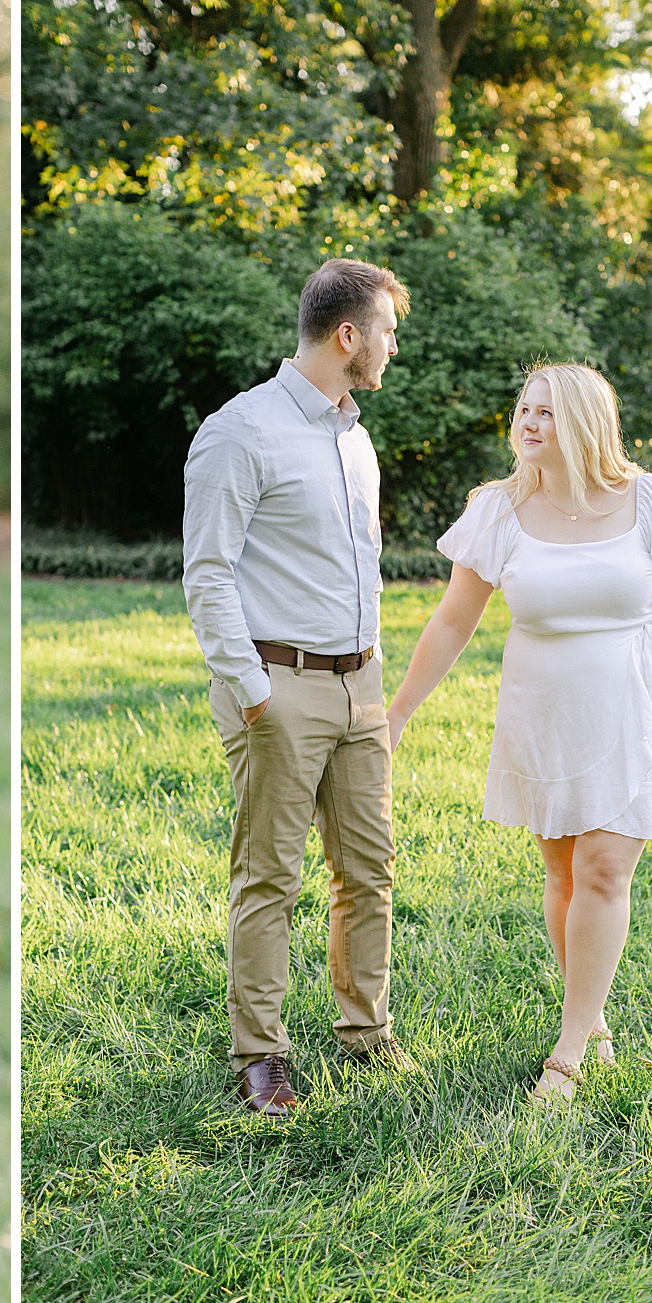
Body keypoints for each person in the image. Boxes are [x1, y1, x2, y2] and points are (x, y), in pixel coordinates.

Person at [386, 363, 652, 1102]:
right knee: (565, 874)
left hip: (632, 707)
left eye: (545, 411)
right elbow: (453, 620)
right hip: (544, 713)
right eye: (524, 409)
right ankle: (592, 1017)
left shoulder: (645, 500)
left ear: (583, 422)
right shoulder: (500, 510)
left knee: (605, 870)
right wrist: (400, 710)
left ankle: (568, 1052)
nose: (529, 422)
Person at [182, 257, 416, 1118]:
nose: (393, 348)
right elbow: (206, 573)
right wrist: (253, 692)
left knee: (369, 869)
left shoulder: (354, 435)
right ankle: (262, 1054)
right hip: (279, 686)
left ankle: (365, 1029)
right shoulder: (241, 431)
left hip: (362, 689)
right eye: (387, 332)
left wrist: (376, 673)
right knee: (270, 876)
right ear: (348, 335)